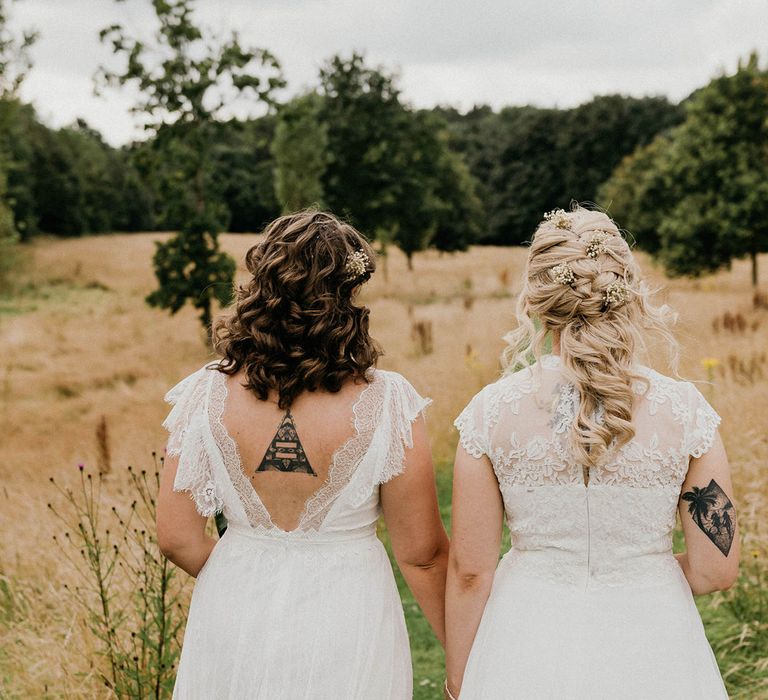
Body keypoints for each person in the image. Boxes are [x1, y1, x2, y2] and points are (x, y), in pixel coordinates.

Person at [445, 206, 739, 699]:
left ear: (537, 300)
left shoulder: (490, 413)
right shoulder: (686, 412)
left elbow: (471, 572)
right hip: (655, 640)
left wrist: (459, 681)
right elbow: (716, 569)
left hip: (526, 638)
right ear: (626, 292)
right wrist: (647, 577)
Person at [157, 210, 449, 699]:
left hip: (233, 610)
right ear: (347, 295)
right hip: (348, 617)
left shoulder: (203, 395)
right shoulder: (389, 401)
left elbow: (177, 539)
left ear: (261, 285)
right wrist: (464, 658)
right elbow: (422, 556)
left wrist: (245, 572)